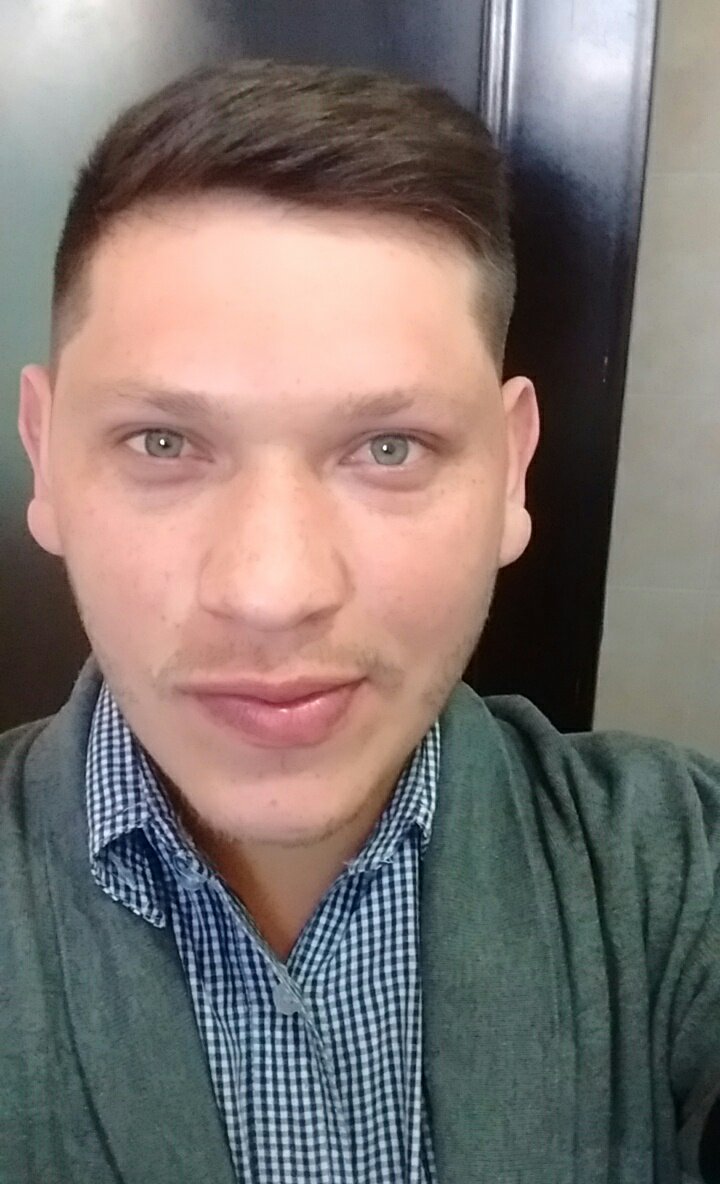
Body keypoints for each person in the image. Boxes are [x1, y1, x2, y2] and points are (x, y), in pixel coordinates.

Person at [1, 56, 719, 1184]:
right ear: (44, 458)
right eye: (163, 443)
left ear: (511, 469)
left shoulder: (675, 873)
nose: (272, 590)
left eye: (389, 448)